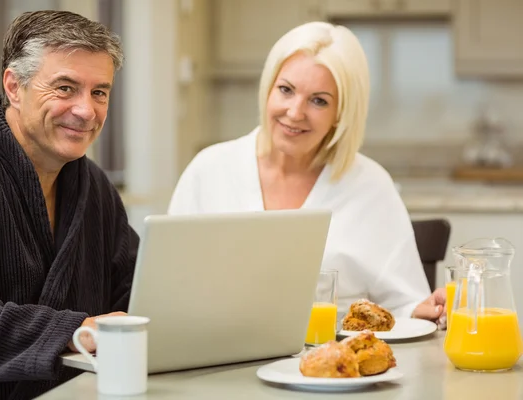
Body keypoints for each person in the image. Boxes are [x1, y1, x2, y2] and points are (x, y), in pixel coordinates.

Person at [168, 21, 446, 324]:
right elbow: (169, 293)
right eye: (286, 90)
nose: (295, 112)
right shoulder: (208, 171)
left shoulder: (371, 185)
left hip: (338, 365)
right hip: (217, 357)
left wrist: (427, 309)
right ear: (268, 89)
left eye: (318, 101)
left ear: (341, 114)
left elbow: (405, 305)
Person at [0, 10, 138, 399]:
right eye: (65, 88)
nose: (86, 110)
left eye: (99, 92)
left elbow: (134, 297)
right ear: (14, 86)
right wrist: (76, 332)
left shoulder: (96, 188)